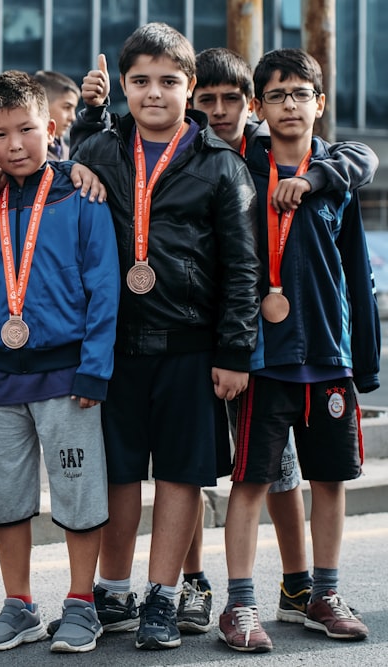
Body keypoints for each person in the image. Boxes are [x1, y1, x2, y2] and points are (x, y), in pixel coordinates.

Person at [177, 46, 380, 637]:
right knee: (251, 482)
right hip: (263, 358)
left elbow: (356, 266)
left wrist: (359, 360)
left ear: (319, 103)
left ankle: (324, 594)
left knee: (330, 482)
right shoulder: (241, 166)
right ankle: (240, 603)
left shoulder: (336, 171)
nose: (289, 104)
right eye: (277, 95)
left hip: (326, 355)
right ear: (259, 108)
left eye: (301, 94)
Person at [69, 23, 260, 650]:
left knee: (181, 473)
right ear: (123, 86)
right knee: (119, 474)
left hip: (190, 344)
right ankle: (114, 589)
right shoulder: (96, 153)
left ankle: (163, 595)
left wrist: (235, 352)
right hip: (115, 344)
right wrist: (67, 155)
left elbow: (242, 267)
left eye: (170, 82)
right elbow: (48, 197)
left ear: (192, 87)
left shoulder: (220, 163)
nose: (155, 93)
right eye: (142, 81)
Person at [0, 70, 119, 655]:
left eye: (27, 129)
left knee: (78, 494)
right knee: (7, 500)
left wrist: (95, 368)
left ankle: (81, 604)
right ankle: (19, 605)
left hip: (68, 376)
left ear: (50, 129)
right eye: (1, 135)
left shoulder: (83, 195)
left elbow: (105, 288)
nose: (16, 145)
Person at [32, 70, 81, 161]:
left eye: (74, 109)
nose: (73, 117)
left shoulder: (71, 154)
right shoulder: (24, 155)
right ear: (43, 104)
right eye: (67, 107)